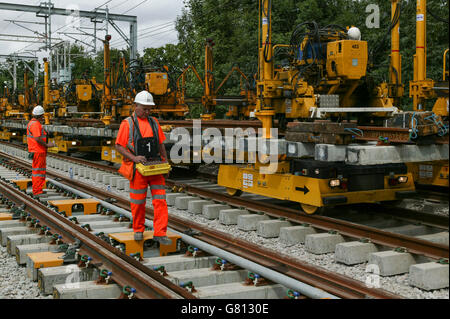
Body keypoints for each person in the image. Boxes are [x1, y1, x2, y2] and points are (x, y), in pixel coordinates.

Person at [115, 91, 172, 244]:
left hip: (155, 167)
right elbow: (119, 146)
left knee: (160, 201)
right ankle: (138, 229)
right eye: (144, 108)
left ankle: (160, 233)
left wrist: (165, 163)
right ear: (136, 106)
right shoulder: (127, 123)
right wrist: (134, 158)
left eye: (149, 109)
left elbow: (160, 144)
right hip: (138, 169)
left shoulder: (154, 122)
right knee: (138, 202)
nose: (147, 112)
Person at [26, 105, 55, 196]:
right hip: (38, 151)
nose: (43, 117)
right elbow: (37, 138)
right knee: (38, 172)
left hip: (37, 151)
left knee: (38, 171)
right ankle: (37, 191)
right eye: (42, 115)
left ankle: (38, 189)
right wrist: (47, 145)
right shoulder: (35, 124)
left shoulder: (32, 123)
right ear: (40, 116)